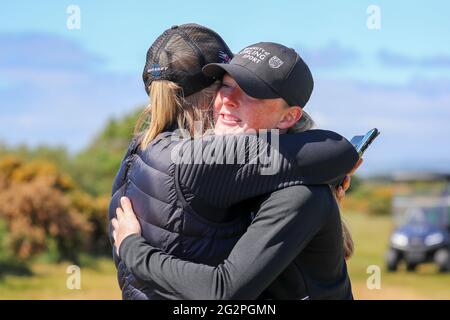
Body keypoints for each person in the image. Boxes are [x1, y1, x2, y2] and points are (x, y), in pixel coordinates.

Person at [109, 26, 359, 300]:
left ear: (289, 117)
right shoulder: (224, 170)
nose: (228, 100)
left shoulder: (298, 194)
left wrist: (133, 248)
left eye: (251, 93)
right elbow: (336, 152)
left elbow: (223, 291)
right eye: (225, 85)